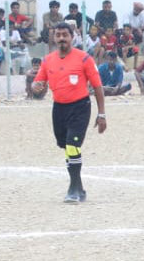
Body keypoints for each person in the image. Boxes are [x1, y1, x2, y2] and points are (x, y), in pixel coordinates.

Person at [30, 22, 107, 203]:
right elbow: (38, 83)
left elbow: (97, 86)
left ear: (72, 37)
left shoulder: (84, 59)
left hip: (80, 107)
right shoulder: (48, 60)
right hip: (59, 109)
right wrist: (35, 87)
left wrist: (101, 114)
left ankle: (73, 189)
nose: (62, 38)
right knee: (67, 147)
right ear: (54, 38)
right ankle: (79, 188)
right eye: (58, 35)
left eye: (65, 35)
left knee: (72, 145)